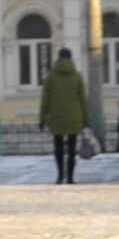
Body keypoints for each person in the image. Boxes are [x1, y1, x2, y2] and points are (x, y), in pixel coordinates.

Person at [40, 47, 87, 182]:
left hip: (56, 117)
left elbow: (46, 99)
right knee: (72, 149)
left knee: (58, 147)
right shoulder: (77, 76)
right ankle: (71, 178)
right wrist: (86, 120)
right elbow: (83, 99)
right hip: (75, 116)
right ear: (71, 58)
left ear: (59, 58)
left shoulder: (51, 76)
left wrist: (42, 118)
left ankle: (60, 176)